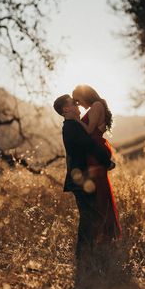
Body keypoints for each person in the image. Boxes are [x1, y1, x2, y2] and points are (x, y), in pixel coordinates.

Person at [53, 94, 114, 262]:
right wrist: (107, 161)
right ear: (66, 109)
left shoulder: (72, 125)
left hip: (81, 179)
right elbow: (89, 145)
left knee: (91, 217)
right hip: (80, 180)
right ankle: (83, 258)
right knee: (89, 218)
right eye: (74, 104)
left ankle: (88, 257)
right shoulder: (71, 127)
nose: (78, 106)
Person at [72, 85, 122, 244]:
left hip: (94, 151)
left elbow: (88, 131)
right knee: (97, 189)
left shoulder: (97, 105)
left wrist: (75, 120)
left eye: (78, 101)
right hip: (92, 150)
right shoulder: (97, 106)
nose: (79, 105)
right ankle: (100, 235)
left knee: (99, 189)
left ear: (83, 95)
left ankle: (104, 234)